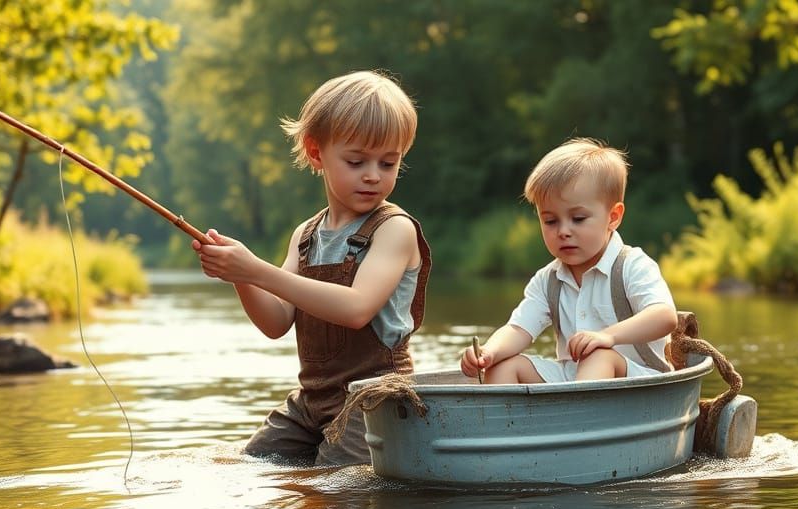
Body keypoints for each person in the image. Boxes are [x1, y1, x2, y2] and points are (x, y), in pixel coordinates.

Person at [193, 70, 431, 466]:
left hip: (376, 399)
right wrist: (241, 277)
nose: (373, 175)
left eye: (388, 163)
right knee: (251, 467)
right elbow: (275, 323)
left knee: (333, 489)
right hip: (311, 401)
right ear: (316, 152)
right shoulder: (306, 235)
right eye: (356, 161)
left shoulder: (395, 230)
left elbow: (356, 308)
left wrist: (256, 270)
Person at [461, 138, 676, 384]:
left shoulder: (631, 265)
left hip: (639, 380)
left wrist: (608, 336)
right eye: (550, 221)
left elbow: (664, 316)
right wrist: (489, 352)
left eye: (578, 218)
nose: (563, 231)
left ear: (613, 217)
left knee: (599, 356)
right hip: (573, 379)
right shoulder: (549, 280)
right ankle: (507, 412)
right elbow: (518, 328)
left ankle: (579, 410)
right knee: (503, 365)